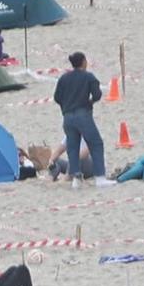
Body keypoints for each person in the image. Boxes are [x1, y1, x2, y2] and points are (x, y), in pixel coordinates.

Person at [53, 51, 110, 189]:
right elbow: (97, 94)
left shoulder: (63, 78)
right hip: (82, 114)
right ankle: (100, 177)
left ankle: (76, 179)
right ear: (84, 62)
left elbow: (56, 97)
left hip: (67, 116)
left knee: (72, 147)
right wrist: (89, 102)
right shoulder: (88, 77)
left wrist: (65, 106)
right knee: (95, 143)